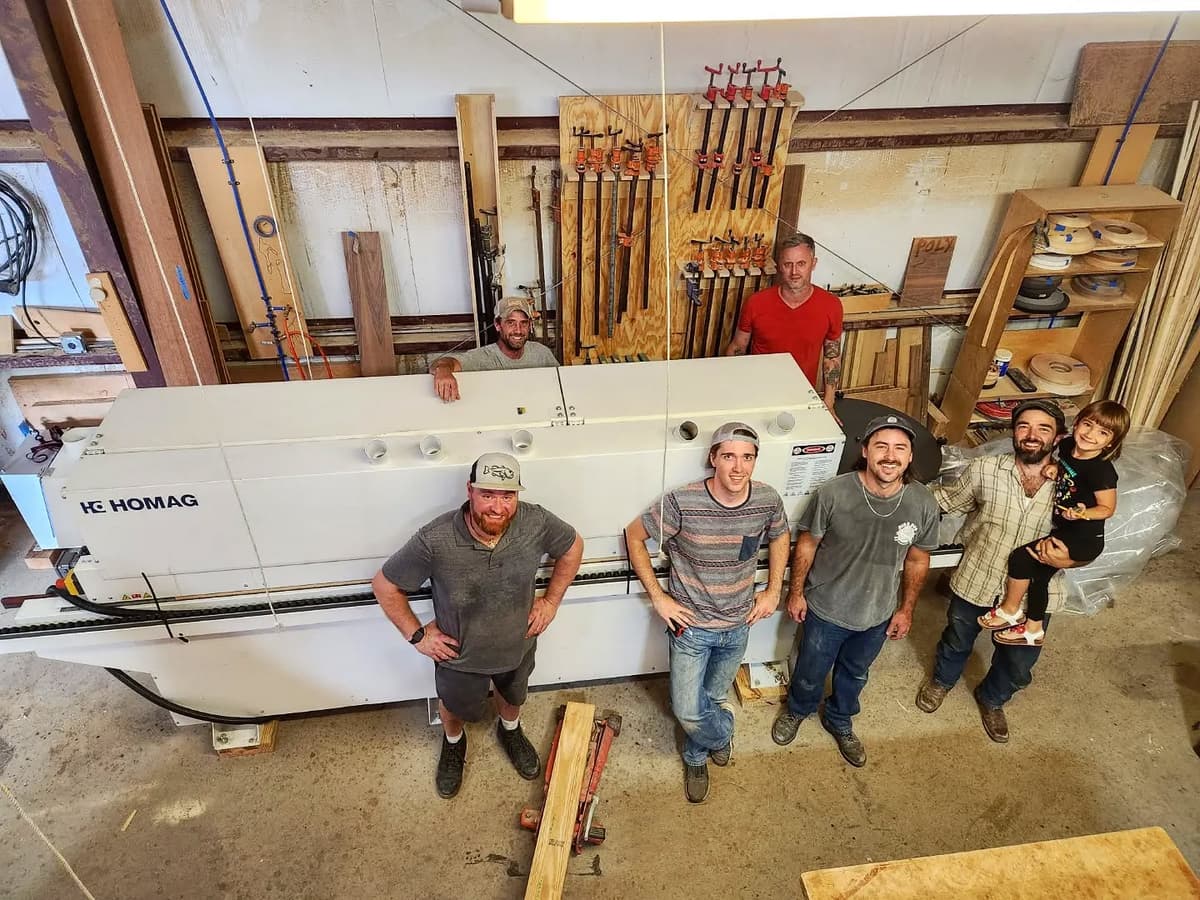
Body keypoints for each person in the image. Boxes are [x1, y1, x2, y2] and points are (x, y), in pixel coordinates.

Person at [372, 452, 583, 798]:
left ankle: (510, 730)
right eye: (488, 494)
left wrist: (551, 602)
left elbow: (573, 547)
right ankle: (453, 743)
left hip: (518, 644)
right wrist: (418, 636)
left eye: (507, 496)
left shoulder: (536, 522)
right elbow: (385, 585)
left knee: (514, 694)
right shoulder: (435, 539)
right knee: (454, 708)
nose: (497, 507)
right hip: (460, 656)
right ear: (469, 491)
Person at [626, 422, 790, 803]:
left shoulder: (767, 499)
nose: (738, 467)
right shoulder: (682, 502)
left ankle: (696, 754)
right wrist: (659, 598)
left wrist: (773, 590)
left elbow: (780, 534)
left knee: (713, 697)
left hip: (739, 624)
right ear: (712, 458)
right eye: (729, 456)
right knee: (687, 709)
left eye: (747, 457)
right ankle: (721, 734)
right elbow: (634, 535)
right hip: (692, 629)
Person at [771, 415, 939, 766]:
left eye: (899, 448)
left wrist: (906, 610)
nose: (889, 456)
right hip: (826, 608)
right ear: (865, 452)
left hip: (876, 614)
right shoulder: (834, 493)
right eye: (881, 446)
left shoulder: (922, 503)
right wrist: (796, 592)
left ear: (909, 457)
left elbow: (918, 561)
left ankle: (840, 718)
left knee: (856, 673)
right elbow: (807, 545)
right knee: (810, 669)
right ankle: (798, 711)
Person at [915, 400, 1078, 743]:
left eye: (1043, 429)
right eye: (1024, 427)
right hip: (979, 576)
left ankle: (992, 699)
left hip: (1036, 593)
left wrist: (1072, 560)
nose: (1031, 436)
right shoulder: (984, 470)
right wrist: (890, 494)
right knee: (957, 639)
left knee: (1019, 662)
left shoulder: (1074, 484)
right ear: (1013, 432)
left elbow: (1090, 540)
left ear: (1058, 436)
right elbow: (943, 501)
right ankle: (942, 682)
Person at [980, 400, 1128, 647]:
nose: (1090, 435)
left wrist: (1083, 513)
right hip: (1068, 530)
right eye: (1088, 425)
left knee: (1020, 558)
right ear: (1077, 422)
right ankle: (1033, 629)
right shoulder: (1069, 446)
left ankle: (1010, 610)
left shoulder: (1102, 471)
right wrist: (1056, 468)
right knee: (1039, 577)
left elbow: (1107, 509)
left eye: (1102, 433)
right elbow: (1071, 471)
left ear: (1110, 443)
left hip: (1083, 538)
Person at [723, 232, 843, 413]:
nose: (794, 272)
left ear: (813, 264)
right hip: (757, 395)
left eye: (801, 264)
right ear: (779, 266)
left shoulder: (831, 305)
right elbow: (738, 348)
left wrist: (828, 402)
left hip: (802, 397)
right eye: (788, 264)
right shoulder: (756, 303)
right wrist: (733, 394)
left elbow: (831, 357)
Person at [430, 296, 558, 402]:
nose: (518, 330)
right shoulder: (482, 357)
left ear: (529, 325)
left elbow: (558, 387)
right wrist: (443, 370)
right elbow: (441, 363)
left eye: (523, 323)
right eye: (511, 323)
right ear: (497, 325)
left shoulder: (542, 353)